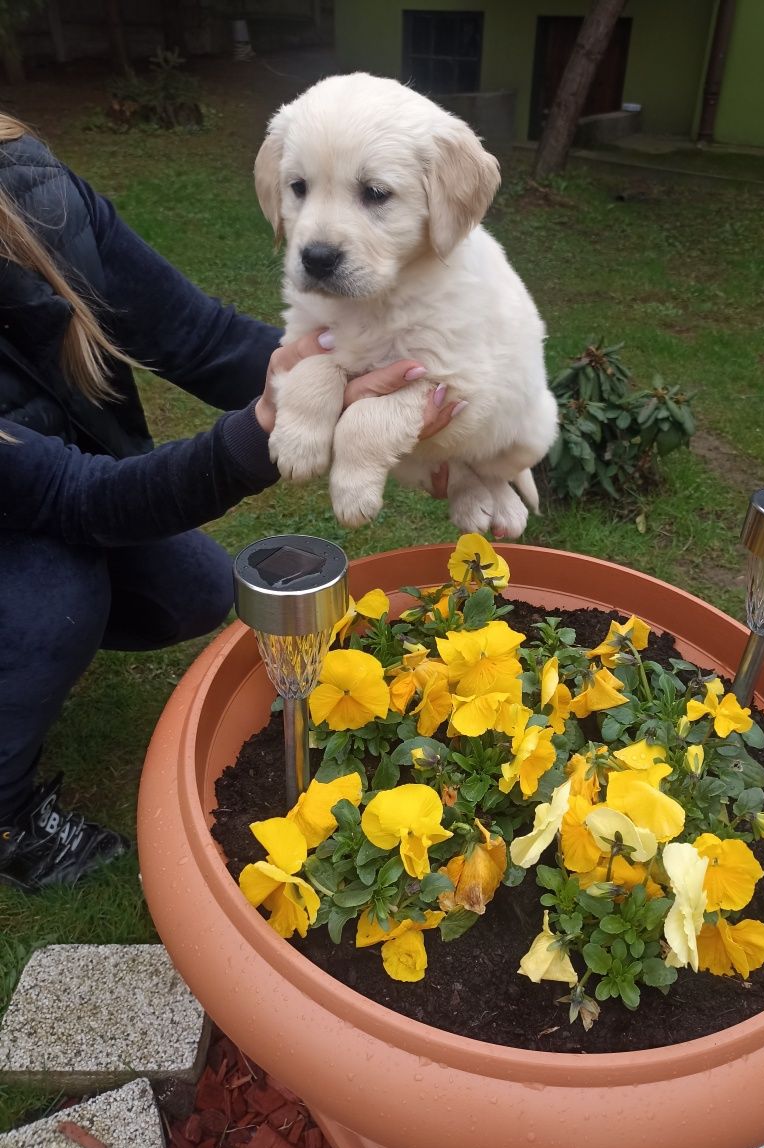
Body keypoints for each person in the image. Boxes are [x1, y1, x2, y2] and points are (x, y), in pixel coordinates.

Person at [0, 115, 455, 892]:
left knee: (195, 590)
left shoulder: (30, 186)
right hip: (48, 494)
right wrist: (268, 430)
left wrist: (354, 373)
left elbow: (196, 335)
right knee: (58, 601)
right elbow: (75, 498)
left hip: (50, 489)